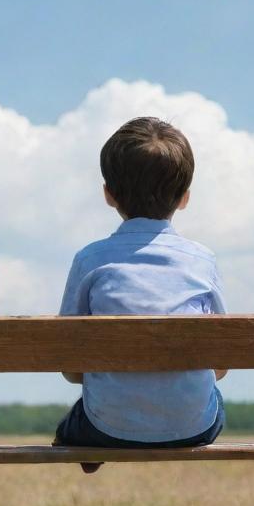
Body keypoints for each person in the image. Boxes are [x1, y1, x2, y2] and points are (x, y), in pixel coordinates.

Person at [54, 117, 227, 467]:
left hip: (109, 426)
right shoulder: (202, 261)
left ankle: (90, 444)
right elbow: (220, 366)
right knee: (212, 401)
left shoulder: (90, 260)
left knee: (73, 424)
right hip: (193, 426)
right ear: (184, 198)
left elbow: (71, 368)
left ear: (108, 194)